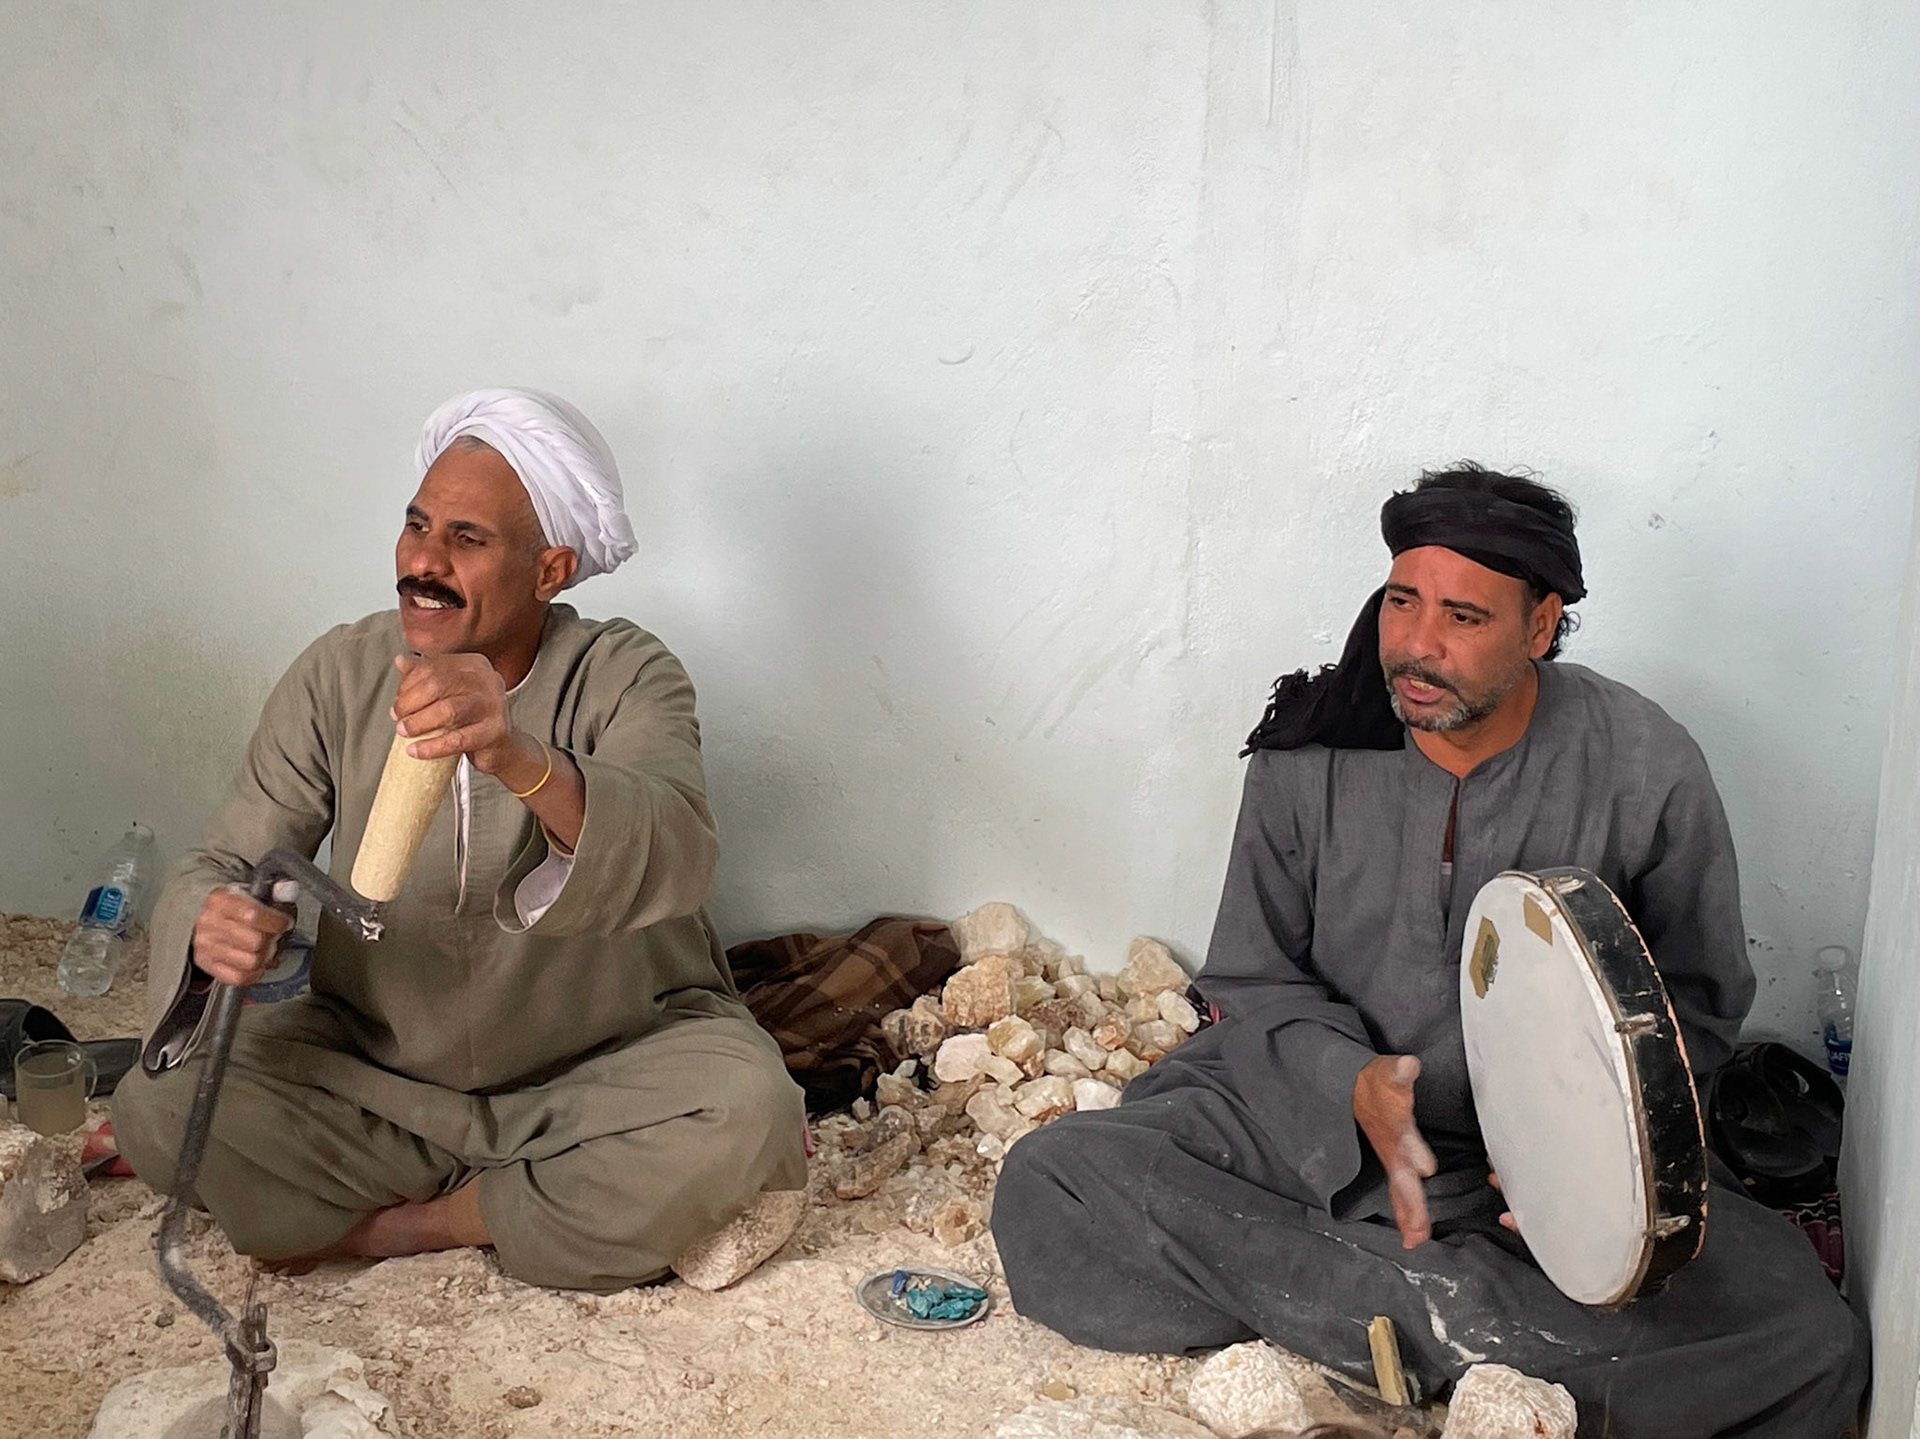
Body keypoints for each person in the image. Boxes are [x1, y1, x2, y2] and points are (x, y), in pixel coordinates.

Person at [992, 464, 1869, 1437]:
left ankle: (1378, 1307)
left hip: (1526, 1173)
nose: (1416, 643)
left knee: (1804, 1337)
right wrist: (1348, 1078)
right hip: (1307, 1117)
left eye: (1464, 616)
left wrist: (1585, 1160)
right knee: (1054, 1184)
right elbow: (1253, 972)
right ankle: (1462, 1318)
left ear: (1540, 627)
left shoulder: (1647, 763)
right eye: (1403, 601)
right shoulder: (1310, 748)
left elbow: (1697, 1003)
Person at [111, 388, 806, 1292]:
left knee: (745, 1106)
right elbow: (229, 860)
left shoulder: (627, 671)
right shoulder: (340, 673)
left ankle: (415, 1226)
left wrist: (516, 752)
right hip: (380, 1071)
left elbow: (674, 843)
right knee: (155, 1105)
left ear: (549, 569)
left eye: (467, 540)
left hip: (598, 1063)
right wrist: (213, 925)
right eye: (416, 527)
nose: (424, 563)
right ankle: (524, 1198)